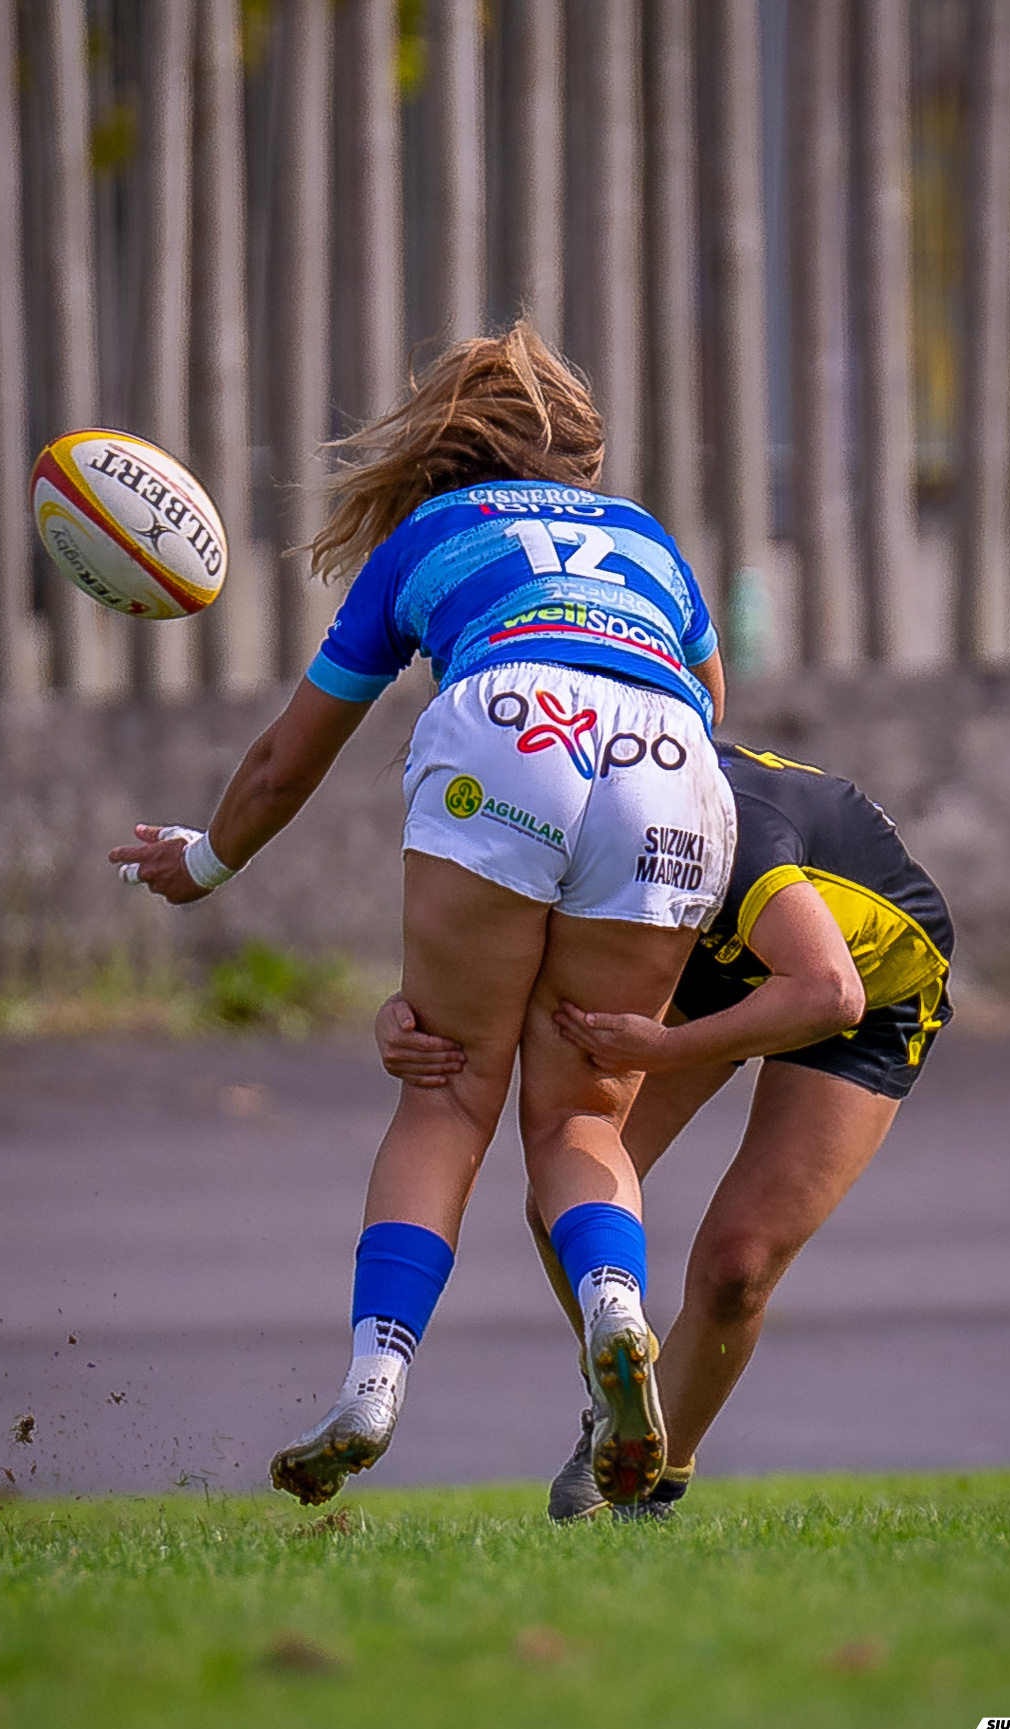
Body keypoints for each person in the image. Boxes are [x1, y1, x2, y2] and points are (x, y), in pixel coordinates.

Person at [108, 322, 736, 1507]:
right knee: (584, 1110)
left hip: (509, 721)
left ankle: (375, 1383)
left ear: (448, 449)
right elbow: (712, 713)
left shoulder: (431, 536)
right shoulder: (651, 543)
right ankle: (614, 1308)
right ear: (580, 457)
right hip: (672, 764)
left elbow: (286, 760)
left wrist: (205, 862)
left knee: (446, 1087)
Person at [377, 738, 953, 1519]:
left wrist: (668, 1048)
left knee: (737, 1267)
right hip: (720, 964)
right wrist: (407, 1018)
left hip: (867, 990)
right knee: (563, 1200)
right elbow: (481, 957)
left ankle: (652, 1486)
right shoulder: (549, 817)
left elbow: (830, 992)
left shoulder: (728, 829)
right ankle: (625, 1403)